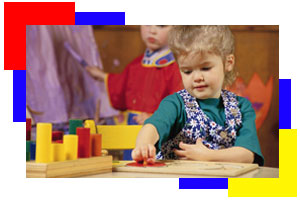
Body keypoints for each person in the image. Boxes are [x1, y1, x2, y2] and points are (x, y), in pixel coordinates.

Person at [131, 26, 264, 166]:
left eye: (205, 68)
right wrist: (143, 145)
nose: (197, 77)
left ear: (228, 63)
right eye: (187, 71)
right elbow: (152, 127)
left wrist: (207, 155)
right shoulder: (176, 103)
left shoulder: (241, 107)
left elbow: (248, 154)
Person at [85, 25, 183, 125]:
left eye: (161, 25)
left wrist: (158, 118)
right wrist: (102, 76)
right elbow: (122, 84)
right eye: (147, 24)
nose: (152, 31)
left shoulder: (176, 69)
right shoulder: (135, 64)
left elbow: (179, 106)